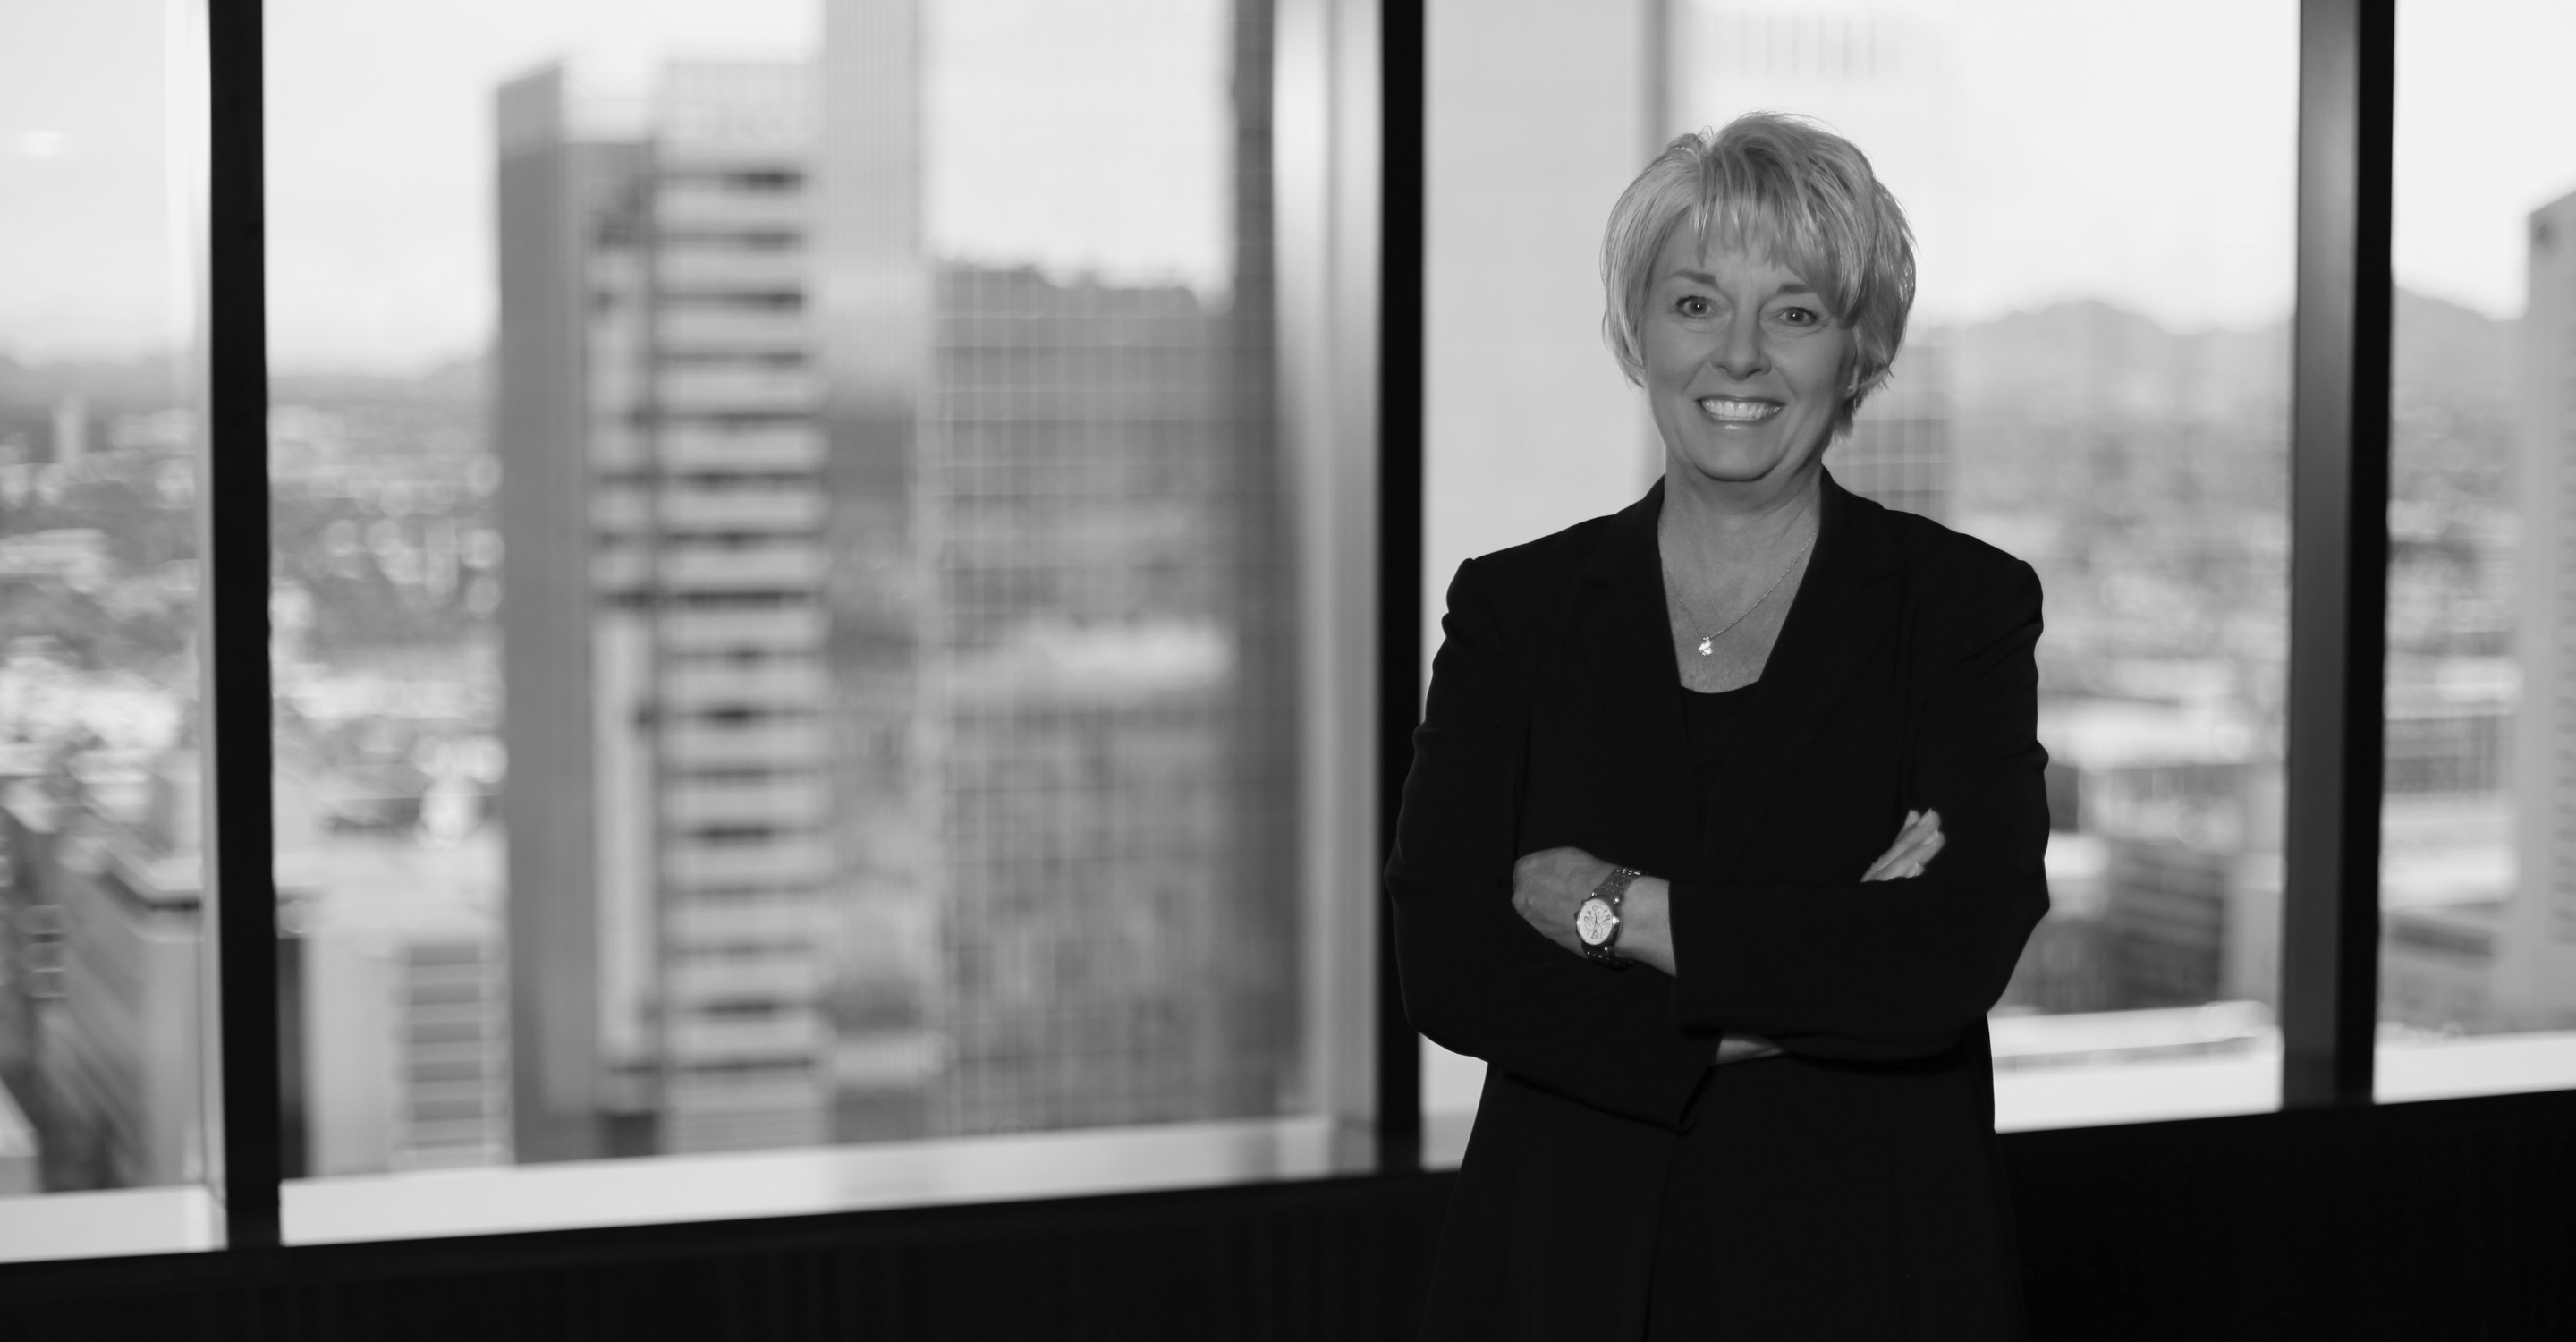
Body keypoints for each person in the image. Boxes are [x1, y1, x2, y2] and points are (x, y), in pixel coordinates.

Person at [1388, 113, 2050, 1339]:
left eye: (1795, 312)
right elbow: (1453, 965)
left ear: (1859, 347)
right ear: (1637, 331)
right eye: (1695, 304)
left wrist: (1615, 910)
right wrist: (1807, 968)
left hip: (1868, 1271)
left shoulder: (1960, 610)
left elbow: (1944, 958)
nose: (1738, 354)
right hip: (1567, 1270)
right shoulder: (1515, 611)